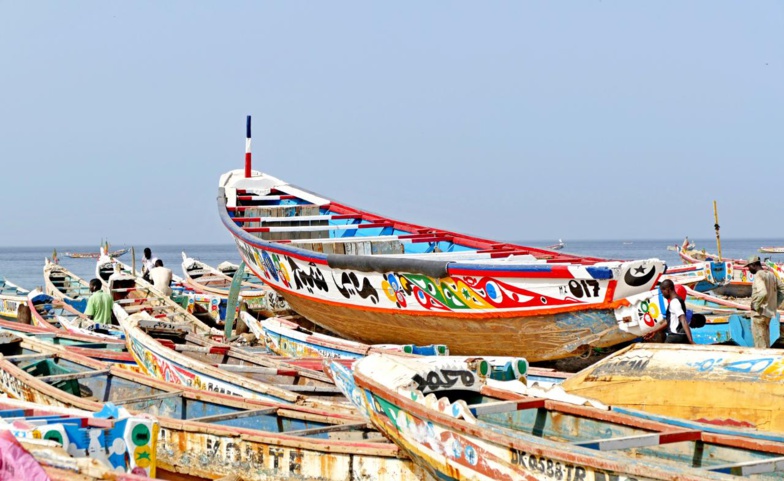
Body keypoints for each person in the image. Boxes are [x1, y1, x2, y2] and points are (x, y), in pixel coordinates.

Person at [746, 255, 784, 348]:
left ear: (754, 265)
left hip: (759, 314)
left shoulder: (759, 275)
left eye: (749, 266)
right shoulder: (771, 274)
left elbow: (763, 293)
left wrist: (756, 305)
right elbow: (782, 288)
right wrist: (775, 304)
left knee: (760, 343)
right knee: (765, 339)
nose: (748, 269)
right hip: (769, 313)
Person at [659, 279, 695, 344]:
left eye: (662, 292)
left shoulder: (674, 302)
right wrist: (654, 331)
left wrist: (690, 340)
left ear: (667, 290)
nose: (662, 294)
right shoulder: (679, 300)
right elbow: (668, 321)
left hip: (675, 336)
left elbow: (683, 320)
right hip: (682, 335)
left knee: (663, 352)